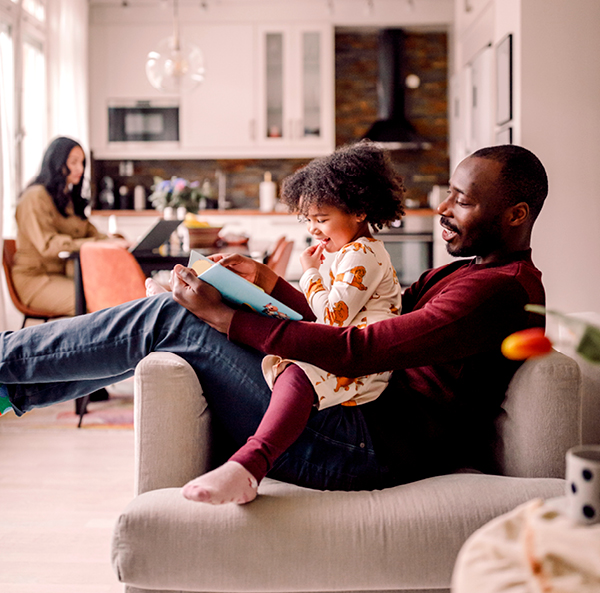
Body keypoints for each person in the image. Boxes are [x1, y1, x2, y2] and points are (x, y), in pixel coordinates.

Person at [0, 144, 548, 503]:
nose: (446, 208)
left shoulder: (496, 293)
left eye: (463, 201)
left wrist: (226, 317)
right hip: (353, 417)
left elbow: (360, 349)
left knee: (175, 315)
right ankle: (7, 382)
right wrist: (269, 284)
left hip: (361, 445)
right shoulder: (475, 274)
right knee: (184, 313)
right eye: (449, 193)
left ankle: (5, 365)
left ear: (515, 214)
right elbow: (345, 318)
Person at [179, 142, 405, 504]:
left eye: (322, 219)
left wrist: (311, 274)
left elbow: (333, 315)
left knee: (296, 372)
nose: (315, 230)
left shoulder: (363, 253)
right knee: (274, 349)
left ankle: (250, 467)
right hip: (346, 348)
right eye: (309, 221)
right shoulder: (347, 252)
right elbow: (327, 315)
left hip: (362, 365)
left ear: (360, 210)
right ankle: (174, 300)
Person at [11, 136, 108, 316]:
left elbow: (90, 232)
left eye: (82, 163)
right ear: (57, 163)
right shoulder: (35, 197)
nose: (80, 169)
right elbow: (48, 245)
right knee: (94, 301)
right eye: (73, 162)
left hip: (64, 276)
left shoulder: (67, 199)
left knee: (110, 292)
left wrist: (114, 241)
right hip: (36, 281)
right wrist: (94, 244)